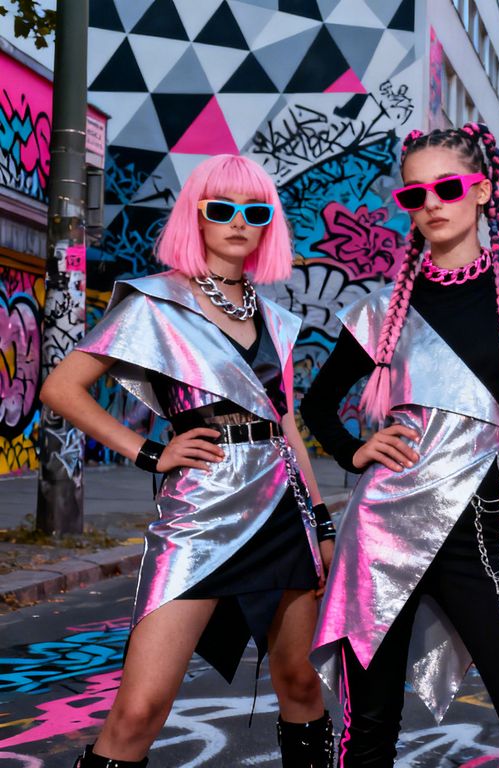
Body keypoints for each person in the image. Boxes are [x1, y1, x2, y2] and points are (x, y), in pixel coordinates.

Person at [41, 155, 335, 767]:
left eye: (255, 211)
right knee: (139, 710)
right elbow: (61, 389)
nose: (238, 221)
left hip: (283, 513)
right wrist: (151, 452)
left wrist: (323, 524)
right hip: (199, 513)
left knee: (302, 685)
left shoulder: (276, 319)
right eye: (221, 208)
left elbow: (284, 424)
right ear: (196, 217)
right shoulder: (156, 303)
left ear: (269, 224)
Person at [300, 124, 499, 766]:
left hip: (479, 540)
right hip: (378, 538)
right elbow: (316, 403)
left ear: (482, 191)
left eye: (447, 188)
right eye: (413, 194)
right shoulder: (385, 308)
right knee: (368, 734)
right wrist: (354, 451)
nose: (430, 203)